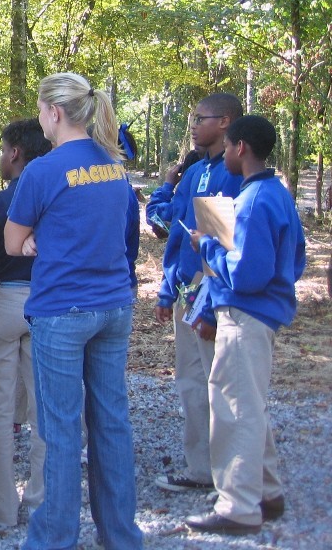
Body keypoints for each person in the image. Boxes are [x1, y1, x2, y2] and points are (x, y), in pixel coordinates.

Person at [4, 72, 143, 550]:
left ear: (54, 112)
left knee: (61, 430)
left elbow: (13, 241)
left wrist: (35, 241)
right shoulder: (114, 165)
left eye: (41, 110)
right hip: (114, 305)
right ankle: (121, 536)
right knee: (112, 422)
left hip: (63, 310)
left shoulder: (42, 171)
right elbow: (122, 232)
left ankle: (54, 538)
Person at [185, 115, 305, 535]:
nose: (224, 157)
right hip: (263, 312)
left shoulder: (252, 201)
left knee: (233, 407)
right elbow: (295, 255)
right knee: (251, 402)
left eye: (228, 148)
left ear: (241, 148)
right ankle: (266, 492)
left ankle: (238, 506)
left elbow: (247, 274)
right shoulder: (277, 193)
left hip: (245, 313)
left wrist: (207, 245)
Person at [147, 93, 242, 493]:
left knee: (221, 383)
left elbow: (218, 246)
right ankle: (201, 468)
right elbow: (170, 230)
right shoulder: (195, 172)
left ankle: (235, 476)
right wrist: (167, 291)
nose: (193, 125)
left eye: (200, 118)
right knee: (190, 381)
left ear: (225, 123)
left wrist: (209, 306)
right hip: (187, 290)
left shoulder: (228, 175)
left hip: (209, 294)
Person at [0, 118, 51, 528]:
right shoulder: (55, 196)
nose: (2, 157)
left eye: (3, 150)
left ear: (15, 152)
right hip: (46, 301)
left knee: (0, 408)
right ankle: (41, 503)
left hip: (3, 301)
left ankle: (1, 505)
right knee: (44, 407)